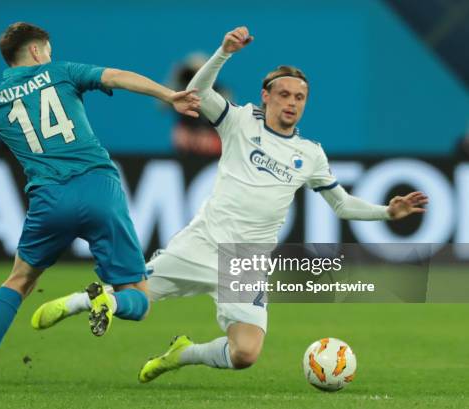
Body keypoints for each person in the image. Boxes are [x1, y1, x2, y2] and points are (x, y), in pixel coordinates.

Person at [32, 26, 428, 381]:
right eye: (285, 94)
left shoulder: (311, 154)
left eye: (301, 97)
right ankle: (77, 302)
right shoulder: (239, 121)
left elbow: (341, 205)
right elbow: (199, 94)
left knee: (245, 354)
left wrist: (386, 212)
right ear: (266, 95)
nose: (292, 103)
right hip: (203, 241)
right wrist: (223, 52)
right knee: (134, 296)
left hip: (246, 261)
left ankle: (183, 354)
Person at [0, 21, 200, 394]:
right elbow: (117, 76)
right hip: (99, 187)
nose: (49, 54)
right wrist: (169, 96)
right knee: (138, 295)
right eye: (48, 49)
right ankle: (104, 300)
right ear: (37, 51)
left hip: (49, 199)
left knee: (19, 280)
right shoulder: (61, 72)